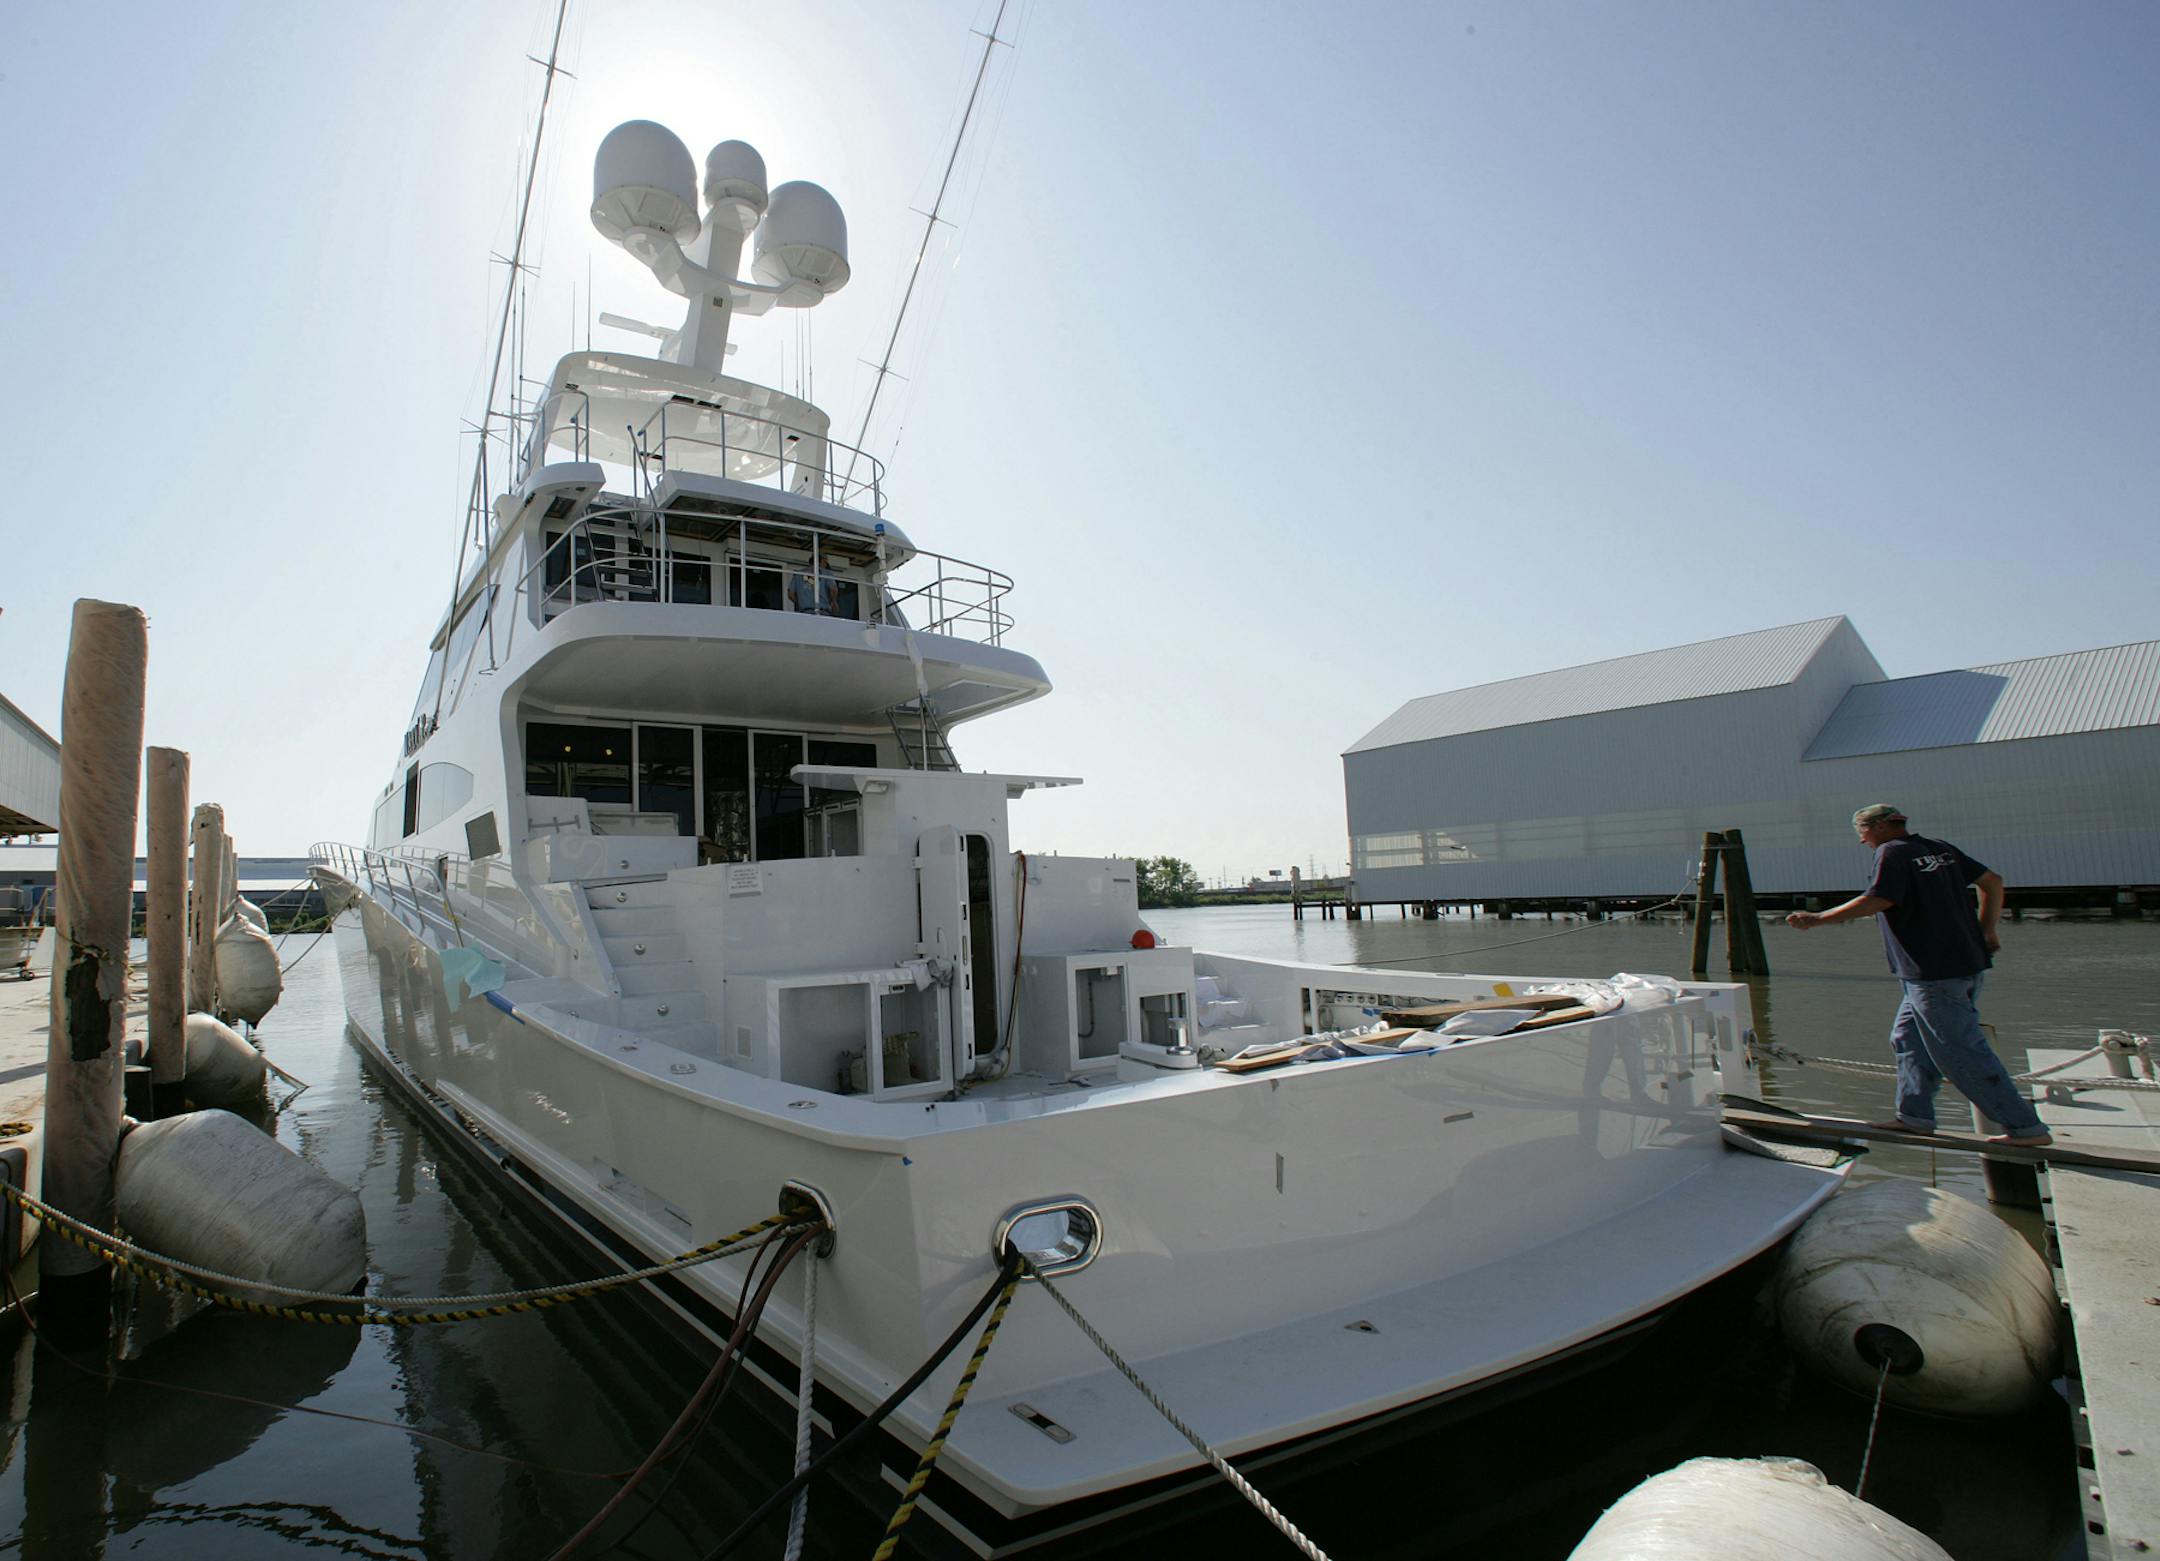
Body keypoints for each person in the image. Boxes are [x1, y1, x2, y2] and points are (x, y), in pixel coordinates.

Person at [1785, 804, 2050, 1147]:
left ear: (1876, 828)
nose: (1862, 842)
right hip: (1962, 965)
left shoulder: (1890, 852)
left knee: (1959, 1051)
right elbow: (1993, 882)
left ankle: (2026, 1128)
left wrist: (1818, 919)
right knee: (1908, 1040)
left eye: (1861, 835)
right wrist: (1987, 930)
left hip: (1933, 972)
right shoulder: (1940, 849)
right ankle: (1914, 1117)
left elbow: (1878, 899)